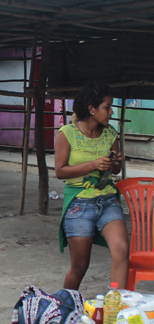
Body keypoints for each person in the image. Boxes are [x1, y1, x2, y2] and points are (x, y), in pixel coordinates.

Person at [55, 83, 129, 290]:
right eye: (107, 107)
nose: (111, 111)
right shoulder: (67, 133)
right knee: (79, 266)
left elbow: (115, 172)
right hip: (79, 203)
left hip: (107, 200)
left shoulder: (110, 134)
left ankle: (118, 307)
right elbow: (60, 171)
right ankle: (65, 309)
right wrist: (93, 165)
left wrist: (115, 162)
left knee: (121, 250)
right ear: (91, 108)